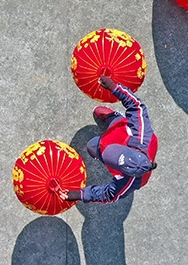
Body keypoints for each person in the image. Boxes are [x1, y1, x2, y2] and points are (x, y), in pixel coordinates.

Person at [58, 75, 157, 204]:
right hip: (118, 129)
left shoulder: (128, 182)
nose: (107, 154)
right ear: (132, 149)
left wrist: (80, 194)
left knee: (91, 146)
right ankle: (113, 117)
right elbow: (136, 105)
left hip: (114, 137)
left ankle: (111, 122)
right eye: (114, 152)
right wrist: (114, 87)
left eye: (111, 159)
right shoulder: (142, 134)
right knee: (115, 123)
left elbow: (108, 195)